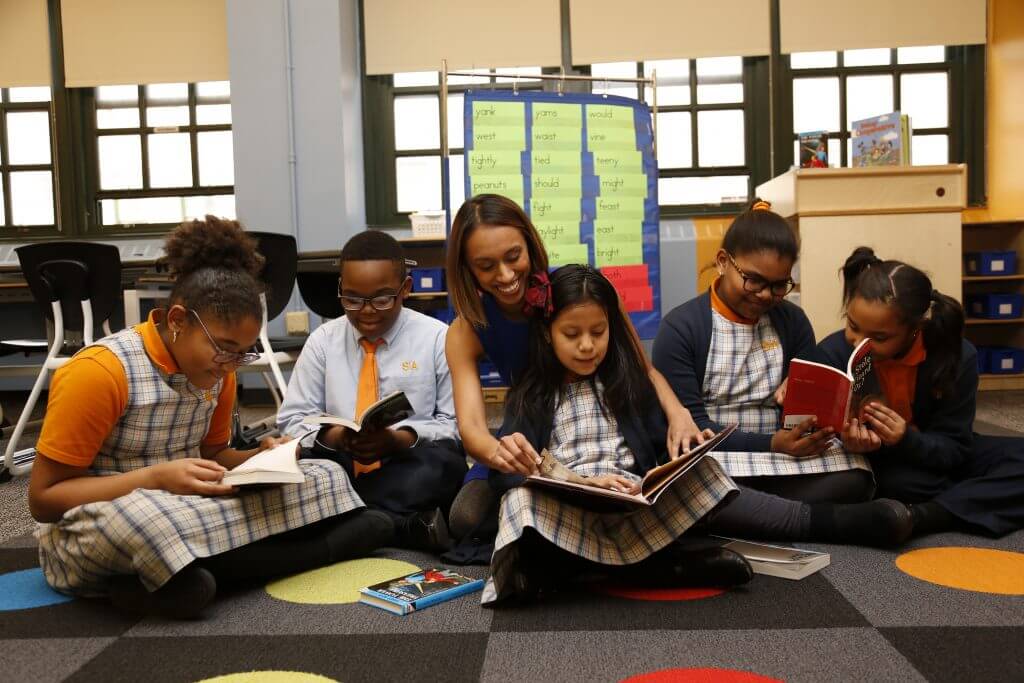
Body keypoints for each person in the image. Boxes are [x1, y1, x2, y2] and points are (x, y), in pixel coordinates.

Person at [30, 217, 390, 619]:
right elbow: (45, 502)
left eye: (243, 352)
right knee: (149, 521)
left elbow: (216, 456)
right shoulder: (100, 371)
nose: (231, 364)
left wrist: (262, 457)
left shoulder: (222, 371)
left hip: (190, 505)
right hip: (104, 517)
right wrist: (152, 479)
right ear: (178, 321)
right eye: (223, 348)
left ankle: (179, 578)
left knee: (326, 473)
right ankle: (315, 548)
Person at [444, 194, 709, 546]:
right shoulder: (465, 330)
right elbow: (473, 429)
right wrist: (512, 457)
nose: (506, 275)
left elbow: (643, 369)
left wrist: (679, 414)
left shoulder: (575, 291)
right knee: (467, 517)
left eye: (513, 257)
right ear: (468, 268)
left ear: (529, 244)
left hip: (595, 435)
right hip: (528, 439)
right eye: (486, 265)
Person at [482, 265, 751, 604]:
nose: (587, 346)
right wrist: (579, 484)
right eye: (571, 334)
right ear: (548, 334)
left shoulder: (629, 383)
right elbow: (506, 475)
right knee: (518, 503)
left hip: (630, 506)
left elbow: (660, 449)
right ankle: (652, 567)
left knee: (708, 472)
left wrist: (681, 457)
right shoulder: (532, 395)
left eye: (598, 332)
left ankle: (579, 569)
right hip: (568, 509)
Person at [653, 199, 874, 505]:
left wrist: (805, 400)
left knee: (857, 475)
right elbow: (695, 431)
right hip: (717, 457)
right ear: (722, 261)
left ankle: (757, 510)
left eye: (779, 285)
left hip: (784, 456)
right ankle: (791, 513)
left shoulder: (792, 321)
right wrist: (771, 444)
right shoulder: (682, 328)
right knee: (687, 483)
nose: (765, 295)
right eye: (753, 280)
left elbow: (808, 415)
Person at [277, 230, 467, 552]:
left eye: (381, 299)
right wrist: (335, 436)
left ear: (405, 290)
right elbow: (292, 420)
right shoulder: (323, 341)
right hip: (341, 464)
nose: (366, 311)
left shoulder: (437, 338)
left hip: (406, 463)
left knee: (446, 468)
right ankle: (402, 527)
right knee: (303, 470)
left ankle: (338, 519)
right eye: (352, 299)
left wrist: (398, 439)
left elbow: (455, 424)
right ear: (340, 289)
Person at [814, 247, 1024, 537]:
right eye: (852, 326)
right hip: (881, 466)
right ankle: (967, 501)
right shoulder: (832, 353)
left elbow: (955, 447)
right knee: (897, 483)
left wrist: (905, 438)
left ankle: (923, 516)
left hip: (928, 452)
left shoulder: (956, 356)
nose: (858, 343)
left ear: (915, 329)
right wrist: (848, 441)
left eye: (879, 337)